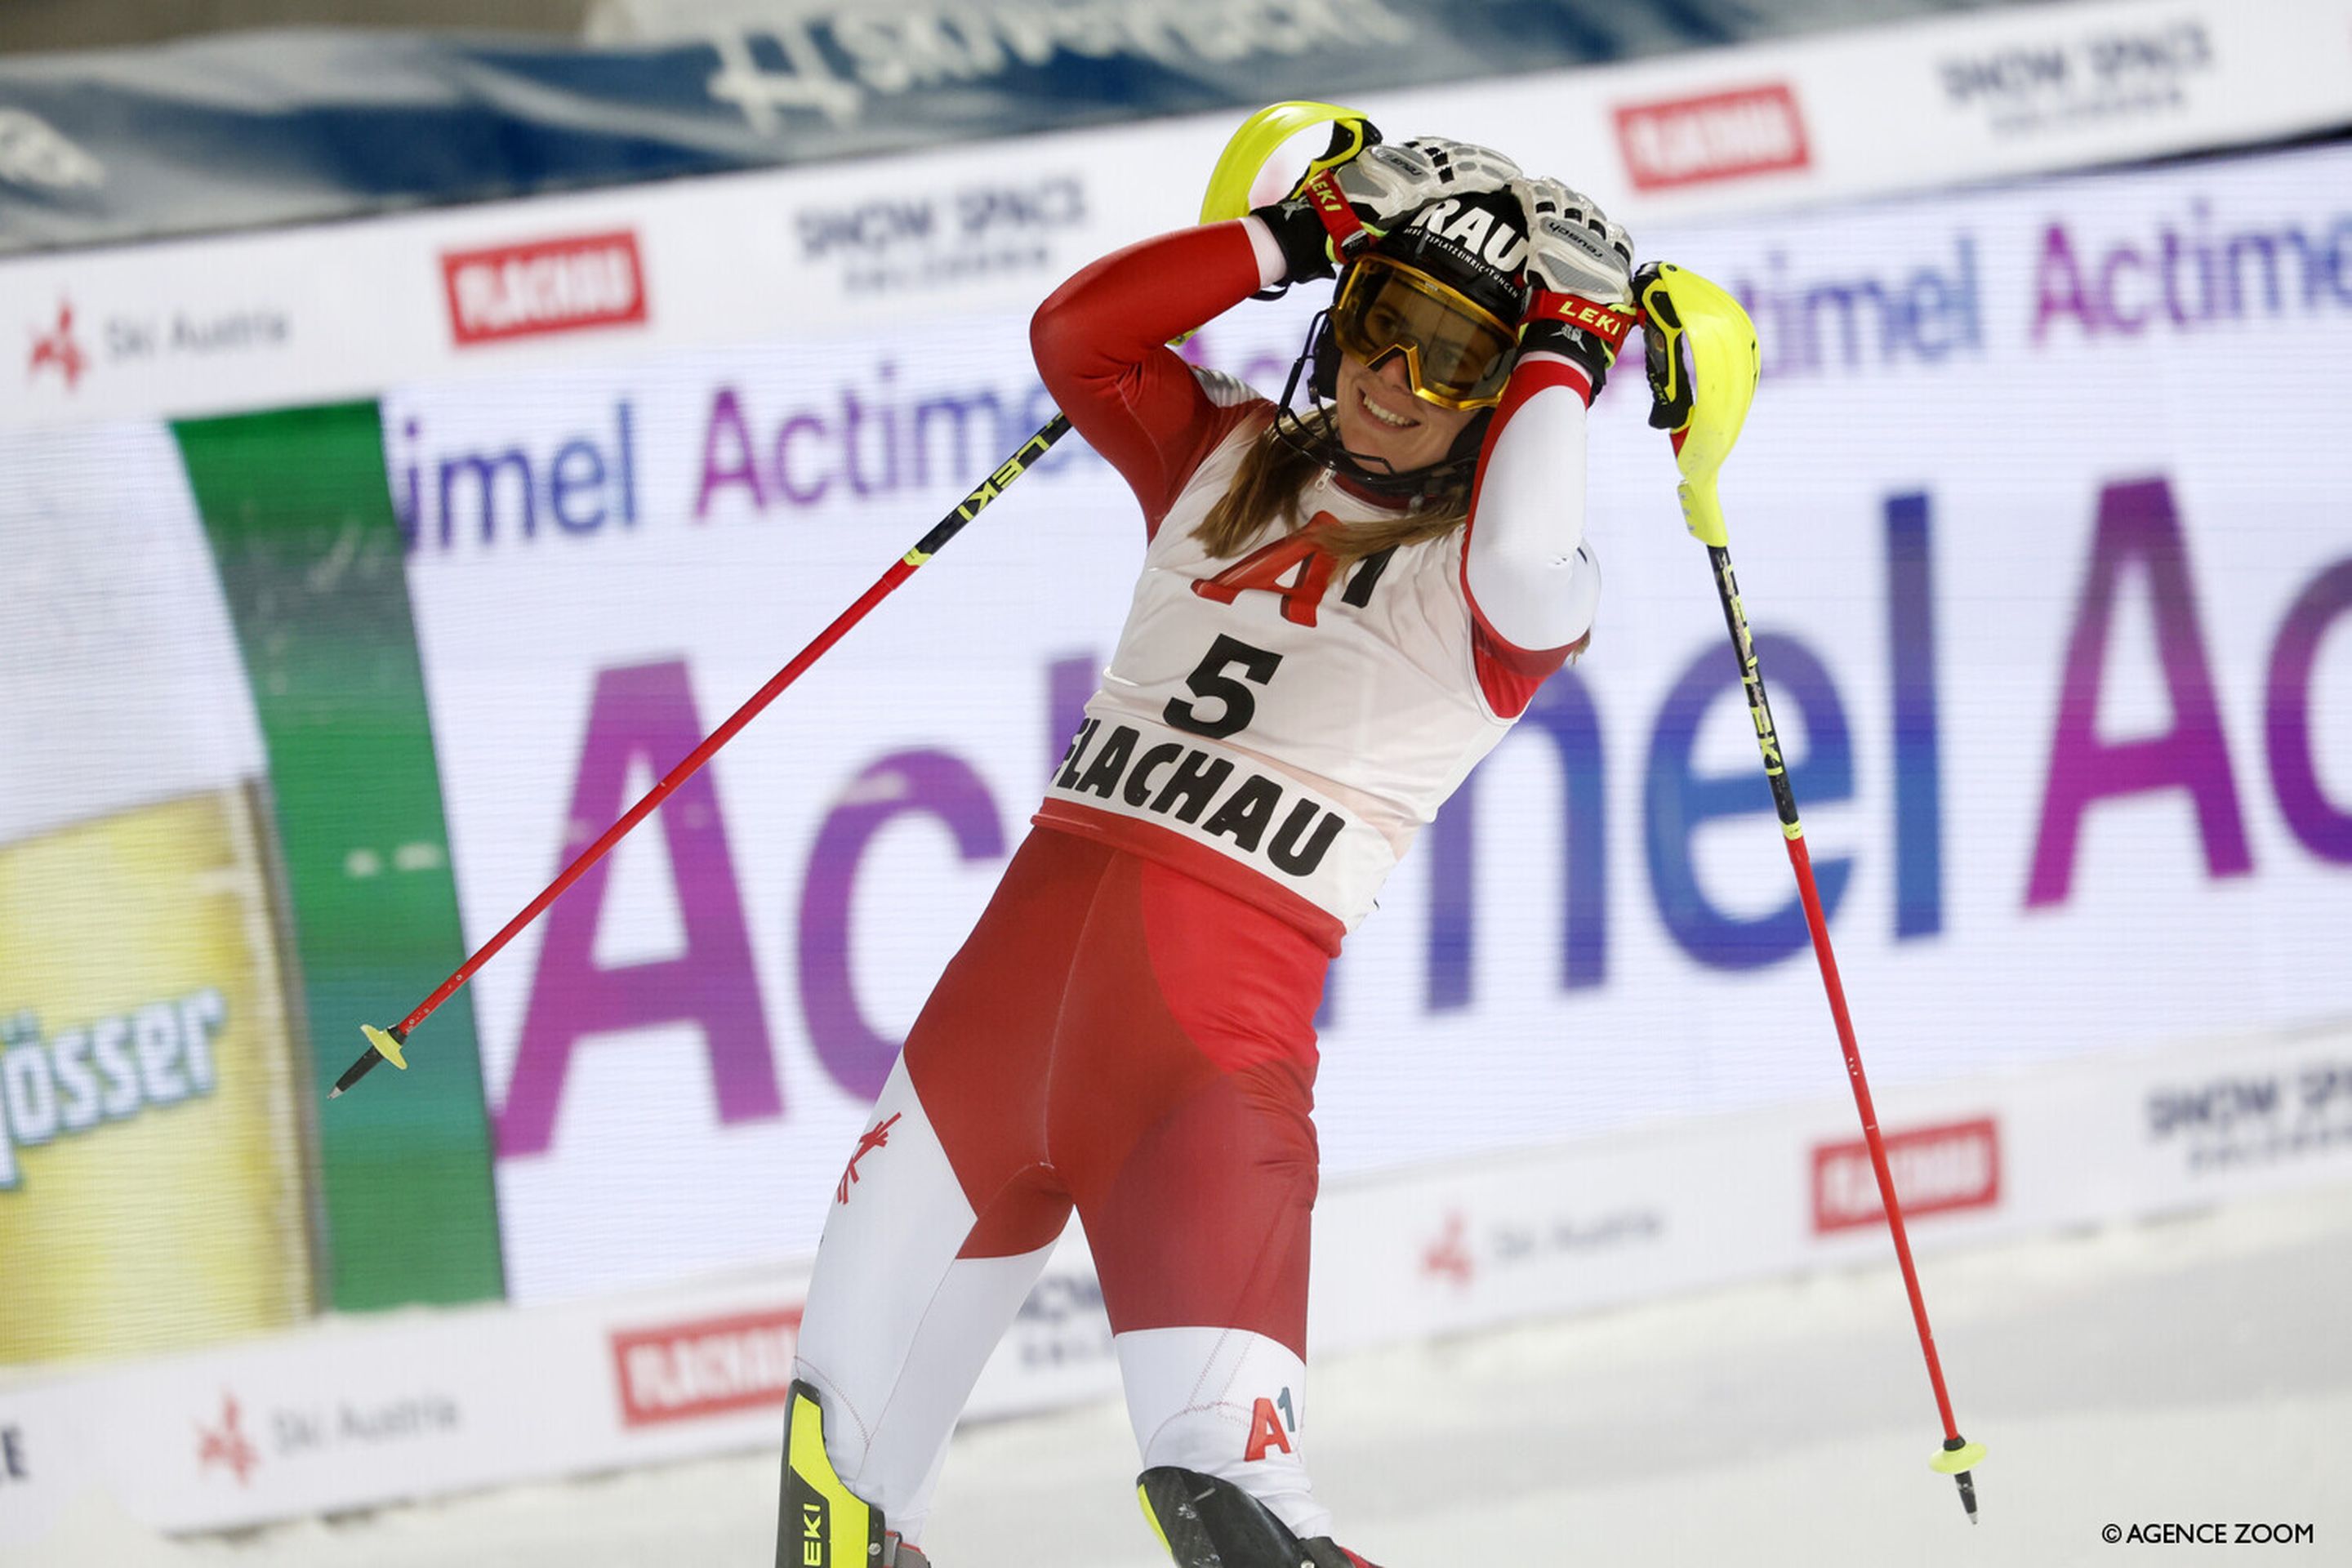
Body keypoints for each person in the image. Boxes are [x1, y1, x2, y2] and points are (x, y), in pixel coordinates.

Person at [777, 132, 1637, 1568]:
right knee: (834, 1509)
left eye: (1452, 360)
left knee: (1236, 1523)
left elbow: (1524, 555)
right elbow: (1077, 335)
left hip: (1191, 1080)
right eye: (1379, 325)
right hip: (978, 1054)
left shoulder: (1490, 597)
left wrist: (1575, 355)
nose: (1394, 380)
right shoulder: (1222, 456)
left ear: (1499, 404)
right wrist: (1292, 231)